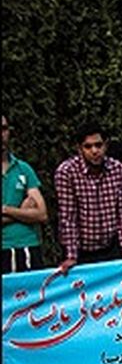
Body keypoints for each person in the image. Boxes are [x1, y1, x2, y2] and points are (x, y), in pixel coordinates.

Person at [54, 120, 122, 272]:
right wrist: (71, 255)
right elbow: (68, 217)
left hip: (111, 247)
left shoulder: (117, 169)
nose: (94, 151)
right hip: (81, 251)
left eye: (98, 145)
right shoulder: (66, 172)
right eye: (88, 146)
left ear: (105, 145)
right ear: (79, 148)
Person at [2, 114, 48, 274]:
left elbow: (42, 214)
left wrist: (7, 210)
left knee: (33, 298)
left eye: (4, 129)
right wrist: (22, 212)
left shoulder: (23, 168)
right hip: (3, 247)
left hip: (28, 245)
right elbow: (32, 213)